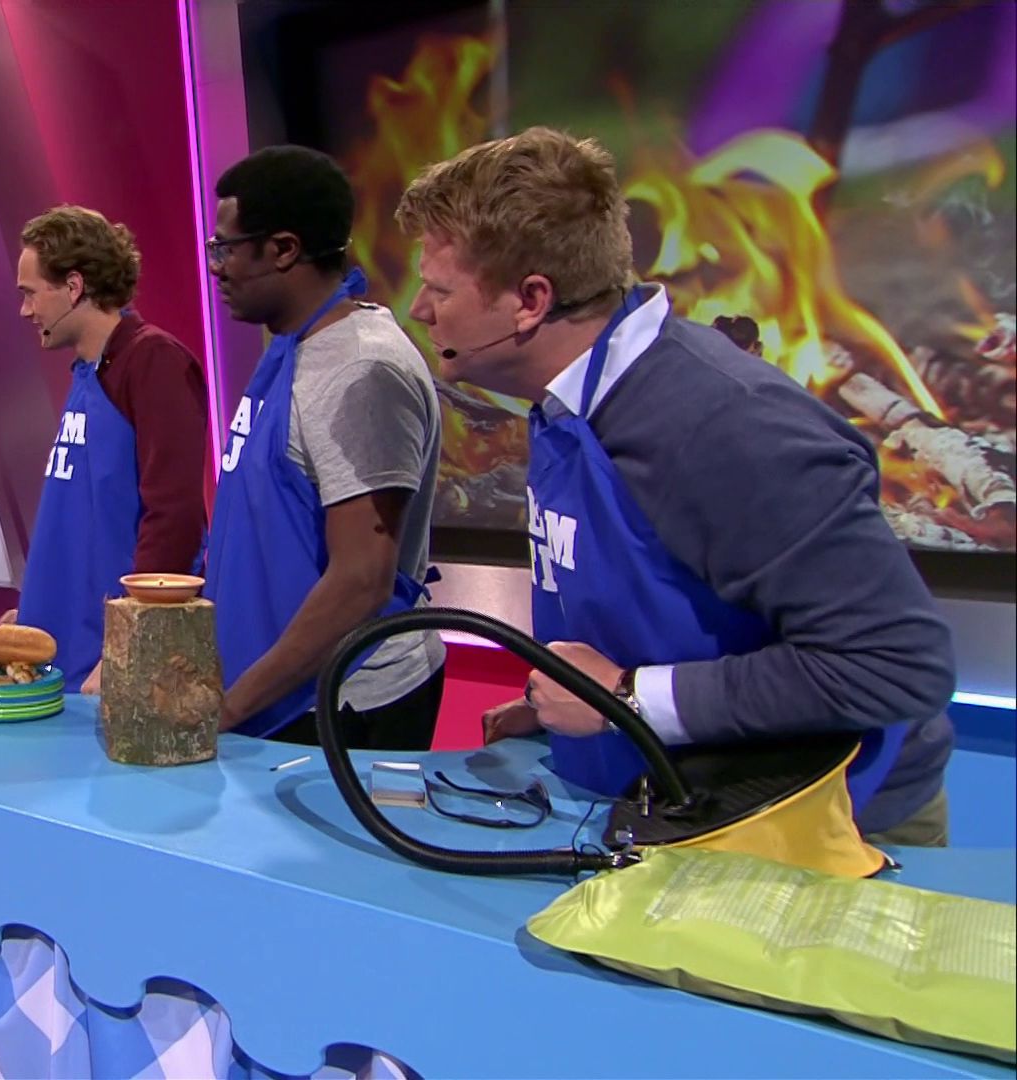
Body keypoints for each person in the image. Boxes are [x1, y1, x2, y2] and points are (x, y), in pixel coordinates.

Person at [394, 126, 955, 843]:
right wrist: (560, 704)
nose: (419, 309)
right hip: (669, 800)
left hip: (818, 825)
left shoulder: (731, 426)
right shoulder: (569, 403)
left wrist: (625, 697)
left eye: (439, 289)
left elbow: (896, 665)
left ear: (530, 300)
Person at [203, 146, 446, 749]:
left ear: (284, 249)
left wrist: (231, 708)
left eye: (226, 249)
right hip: (278, 691)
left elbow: (361, 582)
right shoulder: (296, 348)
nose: (216, 268)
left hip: (348, 702)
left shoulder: (361, 369)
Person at [8, 205, 209, 693]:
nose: (25, 311)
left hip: (106, 663)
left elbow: (174, 516)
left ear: (74, 287)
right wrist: (34, 610)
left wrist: (129, 642)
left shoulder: (153, 361)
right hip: (60, 653)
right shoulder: (89, 371)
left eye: (31, 293)